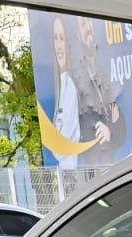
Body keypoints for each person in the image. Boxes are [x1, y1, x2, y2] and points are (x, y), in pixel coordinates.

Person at [75, 18, 127, 166]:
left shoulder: (102, 71)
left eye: (90, 22)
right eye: (83, 24)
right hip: (94, 165)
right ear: (78, 35)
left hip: (111, 164)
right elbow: (83, 120)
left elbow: (120, 125)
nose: (89, 28)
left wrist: (110, 131)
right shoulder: (78, 75)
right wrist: (105, 127)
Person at [50, 16, 83, 169]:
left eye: (62, 38)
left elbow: (59, 150)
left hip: (71, 170)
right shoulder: (61, 85)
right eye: (55, 38)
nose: (58, 45)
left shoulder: (69, 86)